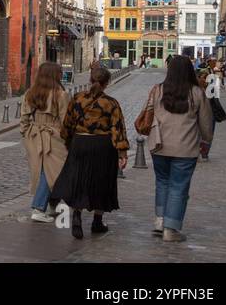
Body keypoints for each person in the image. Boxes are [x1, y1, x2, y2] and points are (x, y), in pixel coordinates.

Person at [139, 54, 213, 242]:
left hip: (159, 145)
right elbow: (206, 123)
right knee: (178, 187)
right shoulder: (196, 93)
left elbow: (148, 111)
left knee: (162, 182)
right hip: (185, 148)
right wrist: (206, 141)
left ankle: (159, 220)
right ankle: (170, 229)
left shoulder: (158, 90)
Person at [52, 63, 128, 238]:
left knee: (80, 180)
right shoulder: (111, 103)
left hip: (80, 142)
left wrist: (70, 142)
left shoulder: (77, 98)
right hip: (103, 145)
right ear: (107, 83)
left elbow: (67, 125)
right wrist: (122, 153)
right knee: (102, 181)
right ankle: (97, 220)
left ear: (90, 79)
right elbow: (118, 129)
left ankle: (77, 217)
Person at [19, 61, 69, 224]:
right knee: (50, 172)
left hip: (34, 135)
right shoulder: (60, 94)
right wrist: (68, 138)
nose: (62, 74)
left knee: (45, 170)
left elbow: (24, 118)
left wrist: (26, 133)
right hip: (53, 136)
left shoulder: (30, 93)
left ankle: (52, 204)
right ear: (55, 75)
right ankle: (38, 208)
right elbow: (65, 120)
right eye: (60, 72)